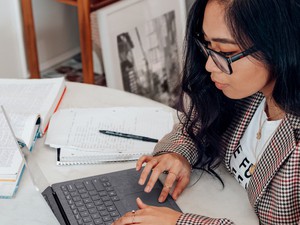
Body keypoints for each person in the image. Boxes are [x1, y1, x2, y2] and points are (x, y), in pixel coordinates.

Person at [112, 0, 300, 224]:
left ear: (280, 43)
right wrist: (178, 156)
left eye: (226, 51)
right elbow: (200, 123)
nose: (210, 65)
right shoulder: (250, 91)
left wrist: (180, 223)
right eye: (208, 45)